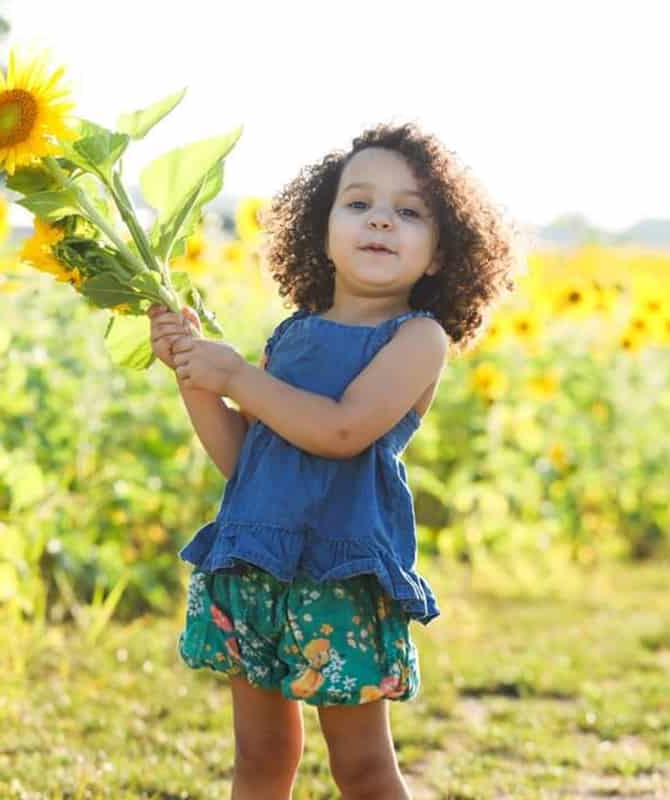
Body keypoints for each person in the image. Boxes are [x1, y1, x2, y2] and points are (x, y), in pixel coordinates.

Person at [148, 121, 522, 799]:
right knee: (260, 758)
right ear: (321, 231)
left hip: (339, 577)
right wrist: (192, 371)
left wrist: (234, 376)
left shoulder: (418, 339)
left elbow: (343, 430)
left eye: (409, 212)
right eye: (359, 203)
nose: (381, 219)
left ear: (441, 253)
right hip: (254, 565)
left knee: (363, 767)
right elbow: (245, 461)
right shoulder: (290, 336)